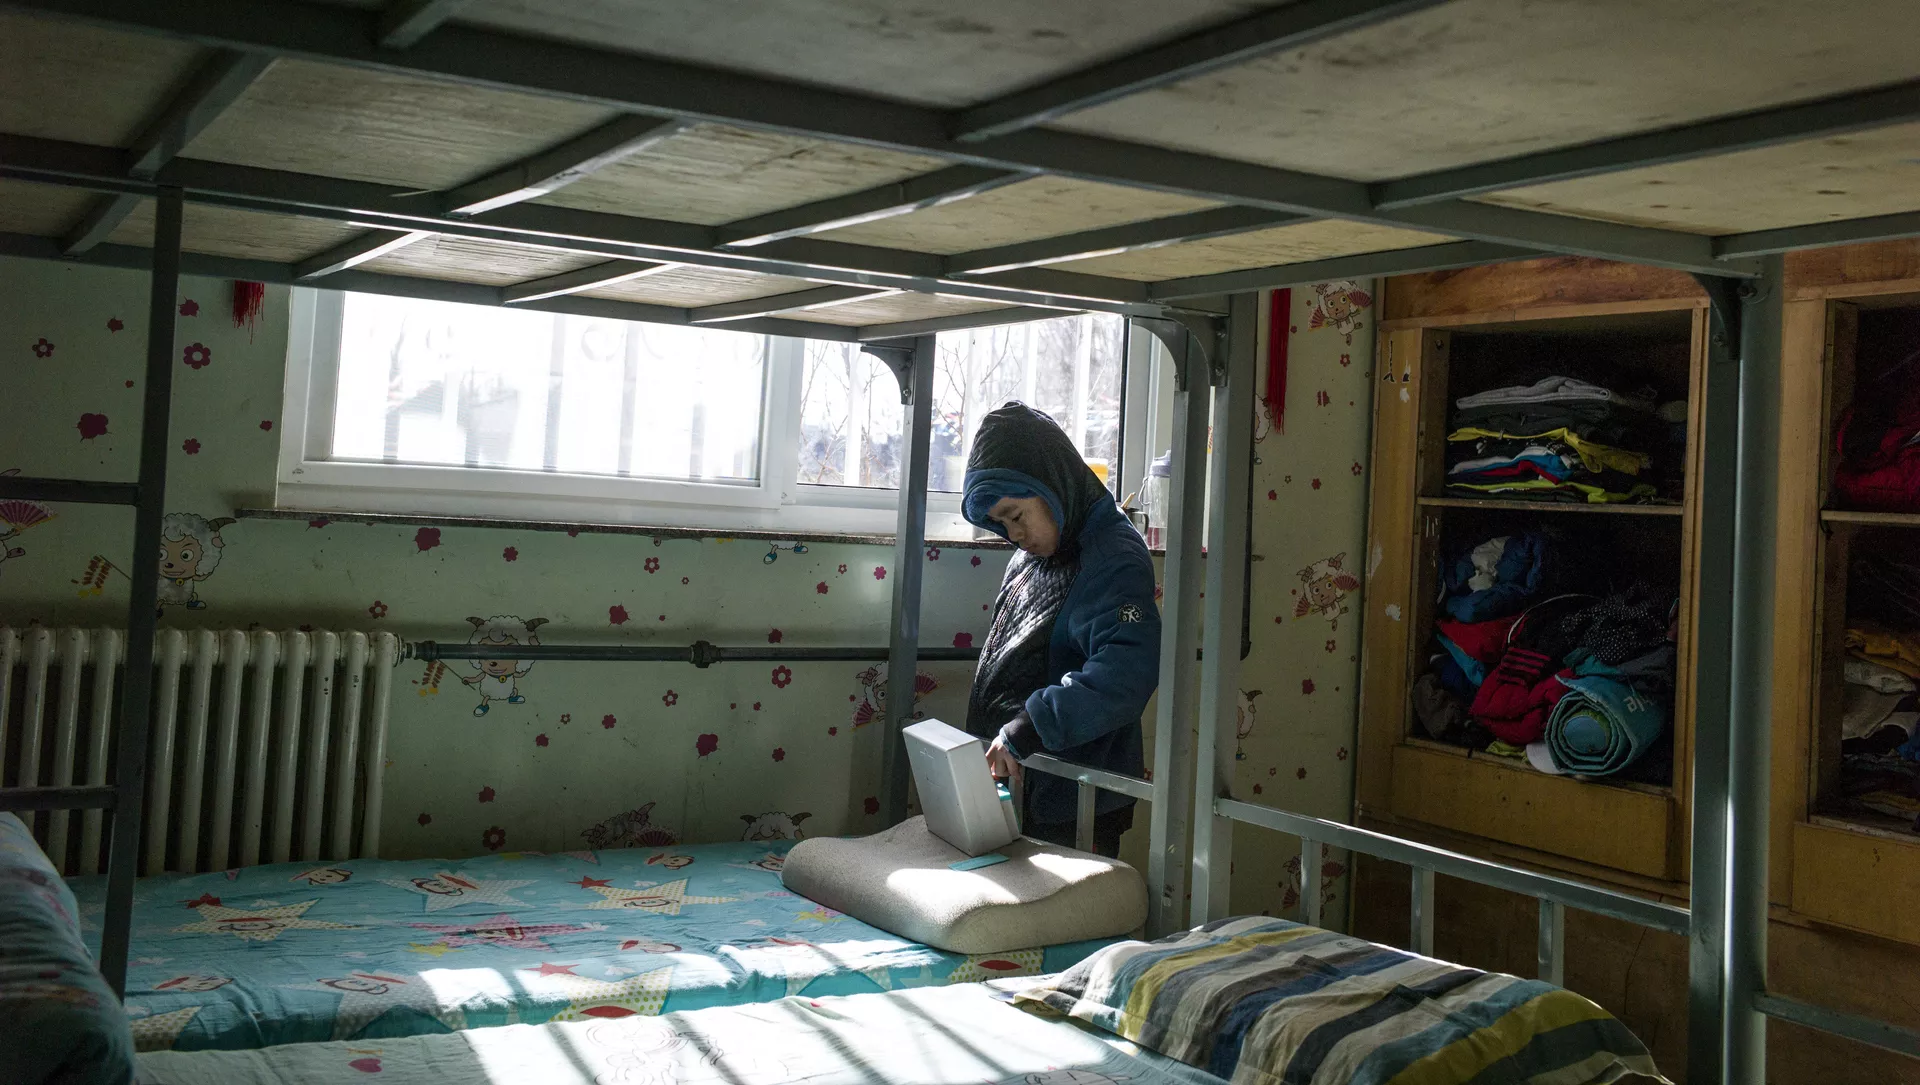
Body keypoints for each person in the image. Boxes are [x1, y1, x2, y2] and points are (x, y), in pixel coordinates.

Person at [961, 402, 1161, 858]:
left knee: (1071, 903)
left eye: (1016, 515)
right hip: (1025, 782)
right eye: (1000, 524)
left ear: (1052, 486)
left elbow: (1126, 671)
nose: (1013, 534)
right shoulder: (1034, 555)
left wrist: (1031, 725)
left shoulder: (1114, 559)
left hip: (1075, 799)